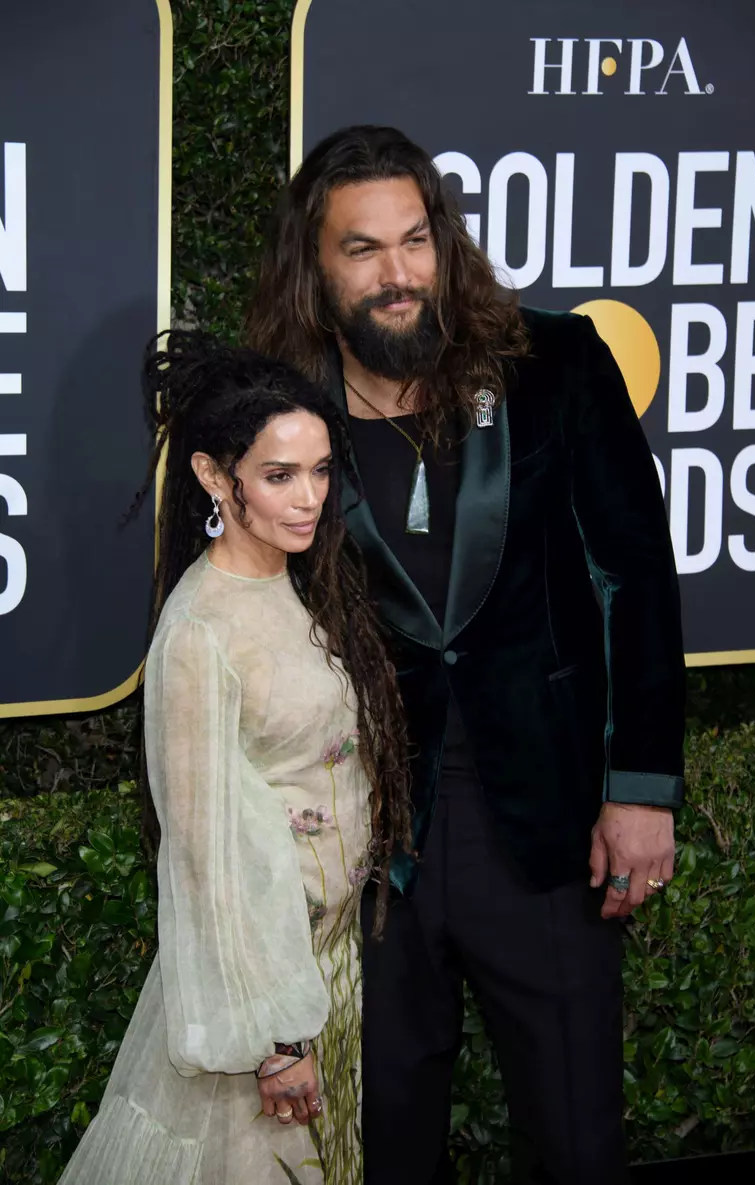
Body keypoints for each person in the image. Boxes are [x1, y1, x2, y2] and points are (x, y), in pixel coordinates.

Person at [245, 125, 686, 1185]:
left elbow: (636, 579)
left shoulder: (555, 365)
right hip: (367, 846)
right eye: (364, 250)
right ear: (316, 267)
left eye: (416, 241)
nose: (399, 275)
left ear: (445, 242)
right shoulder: (278, 419)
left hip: (544, 830)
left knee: (578, 1138)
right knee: (387, 1145)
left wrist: (640, 789)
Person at [59, 332, 410, 1185]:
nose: (310, 498)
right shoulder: (199, 631)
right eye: (279, 475)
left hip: (321, 968)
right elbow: (206, 860)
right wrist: (274, 1042)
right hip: (253, 1015)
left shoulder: (295, 580)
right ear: (217, 478)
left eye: (322, 470)